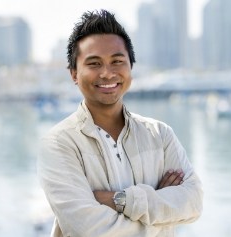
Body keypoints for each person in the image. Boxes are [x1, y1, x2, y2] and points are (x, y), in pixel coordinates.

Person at [37, 9, 203, 237]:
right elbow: (90, 230)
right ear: (74, 73)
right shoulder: (59, 144)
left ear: (130, 68)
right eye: (94, 64)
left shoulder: (160, 135)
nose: (107, 73)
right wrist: (162, 209)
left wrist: (119, 200)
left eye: (117, 61)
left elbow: (193, 203)